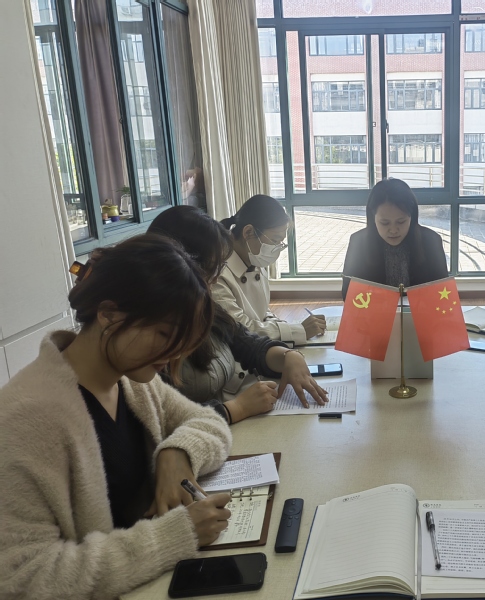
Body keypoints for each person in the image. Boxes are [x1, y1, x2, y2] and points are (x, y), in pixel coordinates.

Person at [0, 235, 233, 599]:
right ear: (108, 314)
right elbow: (22, 577)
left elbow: (209, 423)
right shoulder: (26, 419)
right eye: (165, 333)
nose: (176, 354)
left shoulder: (131, 382)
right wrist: (173, 536)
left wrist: (177, 453)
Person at [149, 206, 328, 423]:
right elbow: (161, 416)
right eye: (211, 270)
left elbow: (245, 340)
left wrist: (288, 356)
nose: (215, 279)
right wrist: (236, 408)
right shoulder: (153, 333)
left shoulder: (204, 306)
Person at [214, 194, 326, 346]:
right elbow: (239, 329)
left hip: (261, 346)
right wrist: (297, 331)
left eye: (280, 242)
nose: (277, 248)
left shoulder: (254, 260)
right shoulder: (217, 275)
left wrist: (287, 327)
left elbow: (262, 313)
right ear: (248, 232)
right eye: (274, 240)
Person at [342, 178, 448, 298]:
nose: (393, 230)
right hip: (376, 310)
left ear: (412, 217)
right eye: (385, 223)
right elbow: (348, 294)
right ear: (373, 217)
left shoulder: (431, 241)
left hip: (420, 310)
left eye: (401, 222)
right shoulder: (358, 242)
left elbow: (443, 292)